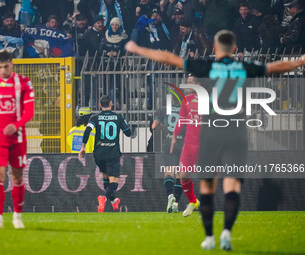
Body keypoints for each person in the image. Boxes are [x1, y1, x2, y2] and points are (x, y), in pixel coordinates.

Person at [125, 30, 305, 251]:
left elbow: (169, 58)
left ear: (214, 48)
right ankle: (227, 233)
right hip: (235, 134)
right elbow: (277, 67)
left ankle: (209, 237)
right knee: (231, 187)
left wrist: (138, 49)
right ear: (235, 49)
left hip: (211, 134)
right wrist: (301, 60)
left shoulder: (207, 68)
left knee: (207, 187)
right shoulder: (243, 67)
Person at [0, 49, 35, 229]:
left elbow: (29, 112)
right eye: (0, 67)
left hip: (18, 138)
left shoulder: (24, 83)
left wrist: (16, 125)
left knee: (17, 177)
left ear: (12, 64)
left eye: (6, 66)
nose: (3, 70)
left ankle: (17, 217)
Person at [79, 95, 131, 212]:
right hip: (112, 153)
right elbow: (128, 133)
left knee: (106, 178)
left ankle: (113, 201)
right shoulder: (118, 117)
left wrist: (83, 147)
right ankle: (104, 197)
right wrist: (125, 123)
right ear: (111, 104)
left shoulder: (95, 117)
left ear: (100, 105)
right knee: (114, 182)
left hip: (99, 154)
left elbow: (87, 130)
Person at [170, 76, 201, 217]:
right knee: (183, 176)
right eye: (187, 82)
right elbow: (181, 119)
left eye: (190, 82)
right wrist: (174, 136)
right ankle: (193, 202)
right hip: (189, 145)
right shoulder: (186, 99)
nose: (188, 85)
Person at [152, 96, 184, 213]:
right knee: (181, 175)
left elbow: (154, 126)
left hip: (169, 142)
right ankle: (176, 204)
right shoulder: (186, 109)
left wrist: (163, 128)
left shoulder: (164, 110)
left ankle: (170, 195)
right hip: (182, 144)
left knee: (169, 172)